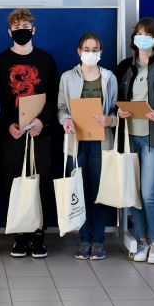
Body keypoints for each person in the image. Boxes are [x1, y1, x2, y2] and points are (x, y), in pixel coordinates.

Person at [0, 9, 59, 258]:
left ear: (34, 30)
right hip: (12, 135)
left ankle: (39, 235)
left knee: (41, 184)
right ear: (9, 32)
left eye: (26, 26)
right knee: (14, 185)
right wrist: (7, 125)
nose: (22, 30)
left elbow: (55, 96)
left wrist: (42, 121)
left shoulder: (46, 60)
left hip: (41, 134)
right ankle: (19, 236)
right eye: (17, 27)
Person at [114, 18, 154, 264]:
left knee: (149, 192)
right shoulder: (124, 66)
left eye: (147, 34)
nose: (142, 38)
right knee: (133, 192)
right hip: (129, 136)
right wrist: (118, 111)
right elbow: (114, 99)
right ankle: (141, 241)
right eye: (139, 33)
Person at [57, 33, 118, 261]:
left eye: (95, 49)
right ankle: (84, 240)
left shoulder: (109, 77)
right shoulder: (67, 77)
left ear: (101, 52)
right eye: (86, 49)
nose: (90, 53)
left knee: (98, 193)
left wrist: (109, 120)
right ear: (79, 51)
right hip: (76, 143)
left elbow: (116, 110)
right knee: (78, 191)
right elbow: (61, 108)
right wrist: (66, 120)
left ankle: (98, 241)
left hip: (101, 143)